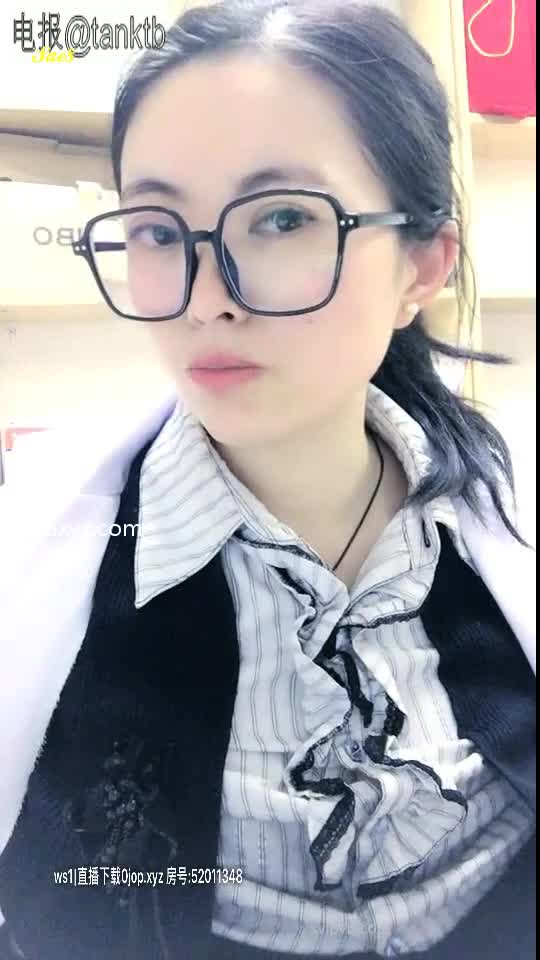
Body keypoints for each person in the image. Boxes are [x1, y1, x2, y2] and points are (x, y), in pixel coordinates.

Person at [0, 2, 535, 958]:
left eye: (283, 218)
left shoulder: (504, 513)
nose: (207, 300)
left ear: (423, 264)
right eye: (158, 229)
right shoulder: (38, 553)